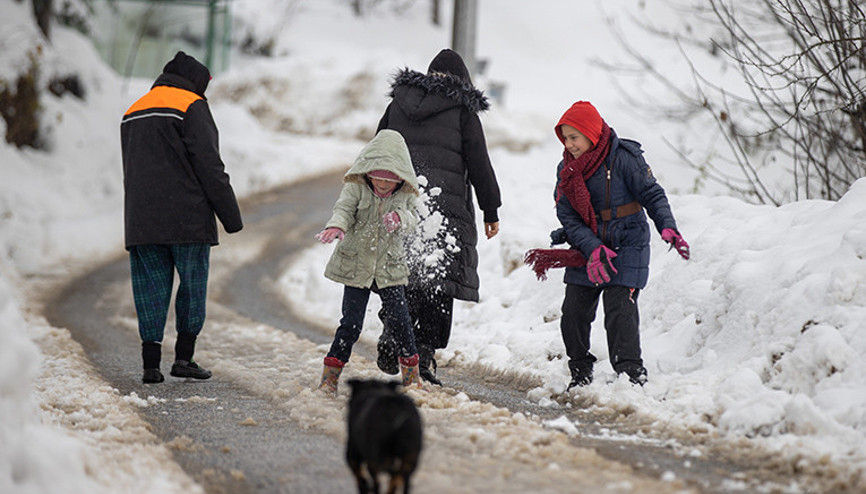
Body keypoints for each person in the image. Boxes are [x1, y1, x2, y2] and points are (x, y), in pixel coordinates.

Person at [525, 101, 690, 389]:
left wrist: (667, 225)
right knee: (573, 313)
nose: (569, 144)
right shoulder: (567, 169)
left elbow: (652, 194)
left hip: (628, 241)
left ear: (590, 133)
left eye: (574, 137)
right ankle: (580, 371)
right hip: (588, 244)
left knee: (619, 309)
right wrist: (592, 248)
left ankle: (630, 374)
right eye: (564, 137)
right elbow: (567, 214)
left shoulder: (624, 157)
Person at [375, 48, 502, 385]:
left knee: (401, 273)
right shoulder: (462, 111)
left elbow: (376, 151)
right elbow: (479, 163)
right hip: (444, 213)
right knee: (437, 284)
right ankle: (424, 357)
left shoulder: (397, 104)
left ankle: (392, 332)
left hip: (399, 206)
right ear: (463, 82)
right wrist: (491, 208)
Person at [121, 51, 243, 384]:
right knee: (191, 288)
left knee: (150, 289)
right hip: (187, 219)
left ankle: (150, 365)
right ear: (196, 83)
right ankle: (184, 359)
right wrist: (231, 217)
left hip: (142, 221)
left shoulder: (133, 110)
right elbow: (210, 166)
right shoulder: (191, 106)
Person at [316, 129, 423, 395]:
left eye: (390, 182)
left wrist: (400, 217)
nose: (384, 186)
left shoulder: (405, 194)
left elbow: (414, 216)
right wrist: (336, 227)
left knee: (400, 321)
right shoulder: (356, 187)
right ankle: (330, 378)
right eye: (378, 179)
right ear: (367, 172)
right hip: (357, 265)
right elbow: (343, 210)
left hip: (390, 267)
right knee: (350, 324)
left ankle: (412, 378)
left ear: (401, 179)